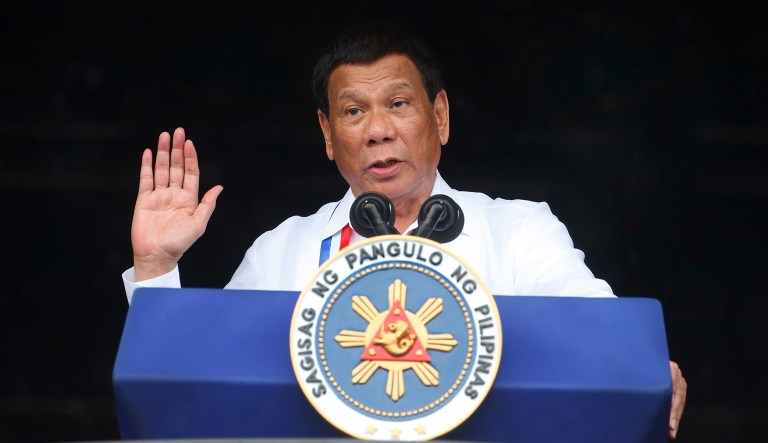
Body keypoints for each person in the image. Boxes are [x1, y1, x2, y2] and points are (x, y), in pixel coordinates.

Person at [122, 23, 686, 439]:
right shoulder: (283, 250)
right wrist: (156, 269)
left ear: (439, 115)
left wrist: (641, 368)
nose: (378, 131)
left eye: (397, 104)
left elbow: (596, 331)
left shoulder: (519, 231)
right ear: (327, 133)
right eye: (353, 112)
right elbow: (197, 386)